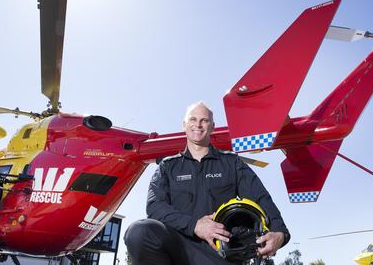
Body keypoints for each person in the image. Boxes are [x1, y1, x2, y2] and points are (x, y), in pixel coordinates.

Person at [124, 101, 290, 264]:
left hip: (220, 252)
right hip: (178, 249)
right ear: (184, 125)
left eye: (204, 120)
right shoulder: (167, 167)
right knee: (139, 232)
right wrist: (194, 225)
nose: (198, 124)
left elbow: (260, 198)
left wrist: (280, 234)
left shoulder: (232, 163)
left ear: (212, 126)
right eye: (193, 119)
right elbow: (155, 208)